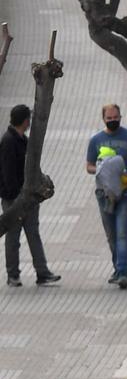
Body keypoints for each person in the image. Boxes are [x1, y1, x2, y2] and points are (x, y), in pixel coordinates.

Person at [86, 101, 127, 289]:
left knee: (122, 231)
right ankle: (117, 268)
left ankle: (123, 271)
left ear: (120, 117)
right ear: (103, 119)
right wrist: (101, 167)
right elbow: (88, 166)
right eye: (109, 118)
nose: (113, 121)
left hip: (126, 192)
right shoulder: (96, 140)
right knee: (112, 234)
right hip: (104, 194)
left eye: (116, 118)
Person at [1, 103, 58, 286]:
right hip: (15, 199)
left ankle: (42, 272)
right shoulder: (9, 142)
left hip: (28, 197)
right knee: (13, 237)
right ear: (26, 121)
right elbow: (8, 173)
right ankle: (13, 274)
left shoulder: (22, 140)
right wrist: (18, 195)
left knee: (33, 234)